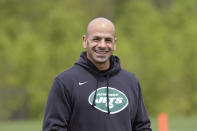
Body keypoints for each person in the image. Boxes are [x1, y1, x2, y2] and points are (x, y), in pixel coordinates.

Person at [43, 17, 152, 131]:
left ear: (114, 43)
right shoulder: (65, 82)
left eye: (108, 40)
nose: (102, 45)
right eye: (96, 39)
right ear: (85, 41)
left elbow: (142, 127)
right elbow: (53, 128)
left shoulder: (130, 81)